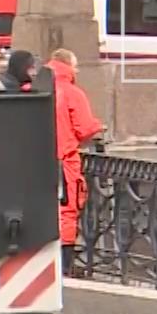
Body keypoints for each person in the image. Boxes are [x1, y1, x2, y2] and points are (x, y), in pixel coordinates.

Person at [47, 48, 104, 268]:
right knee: (67, 209)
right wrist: (98, 126)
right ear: (69, 67)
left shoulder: (35, 87)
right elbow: (83, 129)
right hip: (63, 160)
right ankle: (65, 265)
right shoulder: (72, 92)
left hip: (33, 159)